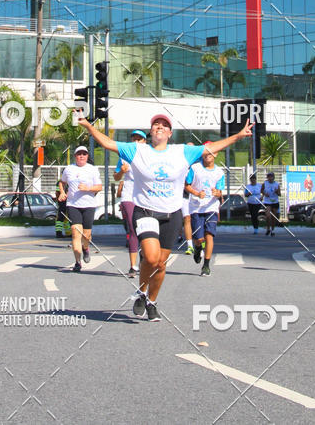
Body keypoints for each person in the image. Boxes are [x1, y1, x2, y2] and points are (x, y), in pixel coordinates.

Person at [78, 112, 252, 322]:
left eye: (164, 125)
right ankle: (142, 290)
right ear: (151, 132)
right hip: (145, 211)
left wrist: (239, 136)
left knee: (161, 263)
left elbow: (212, 148)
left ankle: (151, 300)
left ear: (169, 133)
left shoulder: (183, 152)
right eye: (155, 125)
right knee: (150, 258)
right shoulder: (137, 150)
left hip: (172, 214)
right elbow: (108, 143)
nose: (159, 127)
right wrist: (88, 126)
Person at [60, 146, 102, 272]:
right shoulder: (69, 169)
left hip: (89, 204)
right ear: (75, 156)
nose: (82, 156)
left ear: (87, 156)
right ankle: (77, 262)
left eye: (84, 154)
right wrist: (62, 192)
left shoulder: (92, 169)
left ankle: (85, 248)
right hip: (73, 204)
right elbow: (62, 182)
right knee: (75, 232)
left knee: (86, 234)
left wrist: (88, 189)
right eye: (79, 154)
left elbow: (99, 187)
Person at [185, 145, 225, 276]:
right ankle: (197, 248)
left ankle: (206, 265)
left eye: (211, 152)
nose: (208, 154)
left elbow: (220, 192)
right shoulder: (195, 168)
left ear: (216, 154)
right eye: (206, 152)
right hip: (196, 207)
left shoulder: (219, 172)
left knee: (209, 236)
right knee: (199, 238)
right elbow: (186, 186)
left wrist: (217, 194)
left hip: (211, 207)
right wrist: (196, 193)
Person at [113, 129, 146, 276]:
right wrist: (122, 171)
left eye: (139, 139)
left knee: (145, 230)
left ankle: (145, 261)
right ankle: (133, 266)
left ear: (145, 141)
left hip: (146, 195)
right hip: (129, 195)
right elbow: (116, 177)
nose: (136, 142)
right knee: (133, 229)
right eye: (134, 139)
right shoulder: (125, 156)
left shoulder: (150, 155)